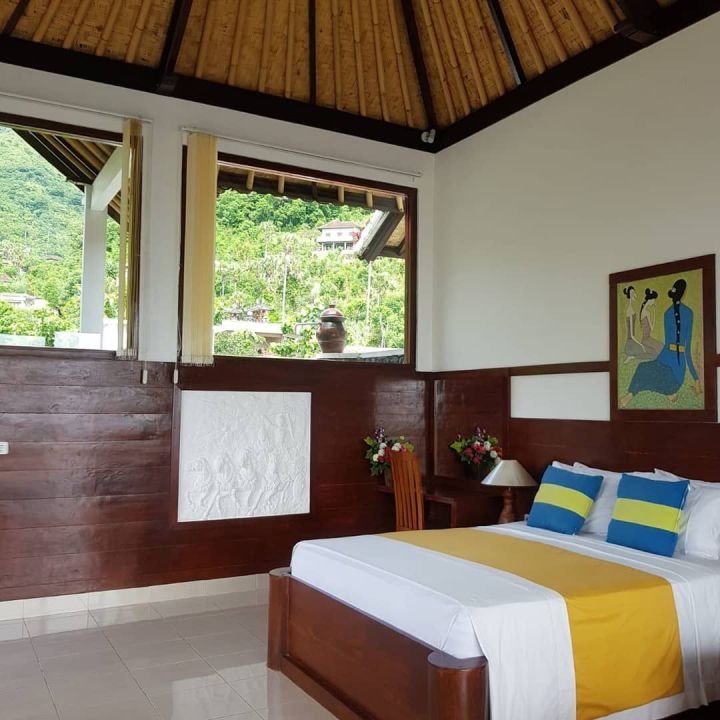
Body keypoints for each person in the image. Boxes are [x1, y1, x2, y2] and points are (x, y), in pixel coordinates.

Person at [620, 279, 702, 407]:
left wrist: (657, 364)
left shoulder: (667, 313)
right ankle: (667, 393)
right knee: (647, 368)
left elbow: (669, 345)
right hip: (675, 371)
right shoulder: (688, 313)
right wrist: (696, 380)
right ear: (683, 294)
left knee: (645, 369)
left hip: (669, 365)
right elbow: (686, 351)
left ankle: (634, 394)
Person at [634, 289, 663, 361]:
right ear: (650, 300)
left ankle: (636, 356)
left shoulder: (642, 311)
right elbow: (652, 328)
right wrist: (654, 313)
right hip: (647, 340)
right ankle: (636, 356)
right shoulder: (647, 312)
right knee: (661, 348)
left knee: (658, 350)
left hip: (645, 339)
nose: (654, 302)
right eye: (654, 300)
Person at [622, 286, 645, 362]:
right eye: (632, 293)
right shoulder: (630, 310)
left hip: (631, 342)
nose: (635, 295)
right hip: (630, 343)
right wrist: (640, 345)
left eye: (634, 293)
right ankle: (631, 356)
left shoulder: (631, 308)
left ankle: (632, 356)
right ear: (629, 295)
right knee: (646, 352)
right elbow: (631, 335)